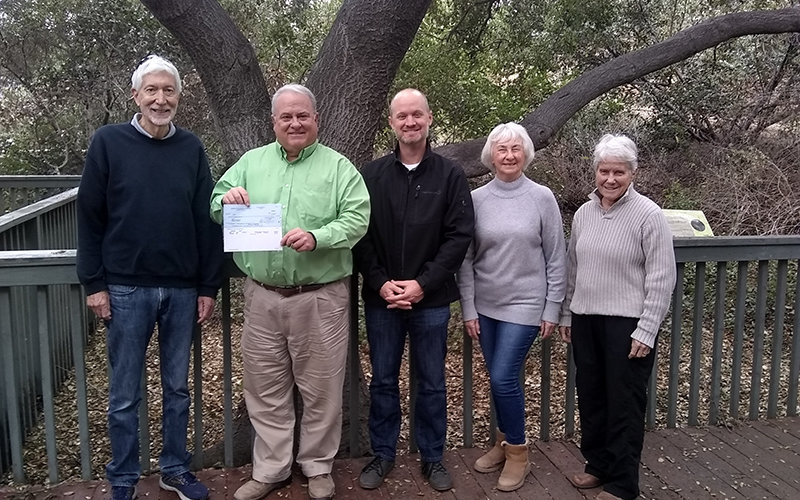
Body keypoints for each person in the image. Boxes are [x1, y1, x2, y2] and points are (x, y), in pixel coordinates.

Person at [209, 84, 370, 500]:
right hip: (261, 296)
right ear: (274, 122)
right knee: (265, 388)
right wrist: (226, 199)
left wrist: (320, 236)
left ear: (316, 119)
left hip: (319, 297)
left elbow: (357, 219)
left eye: (303, 116)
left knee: (321, 389)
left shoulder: (339, 168)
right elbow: (213, 203)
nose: (295, 123)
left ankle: (317, 467)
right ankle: (271, 470)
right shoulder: (250, 163)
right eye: (287, 117)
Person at [76, 55, 223, 500]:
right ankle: (122, 477)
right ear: (136, 96)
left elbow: (205, 220)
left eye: (169, 90)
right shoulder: (108, 142)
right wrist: (94, 283)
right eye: (152, 90)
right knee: (124, 394)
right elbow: (89, 215)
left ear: (179, 96)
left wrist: (208, 286)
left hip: (181, 289)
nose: (161, 99)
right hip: (124, 288)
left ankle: (174, 470)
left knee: (177, 390)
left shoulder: (191, 148)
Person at [353, 88, 474, 492]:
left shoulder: (450, 174)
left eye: (416, 115)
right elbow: (360, 235)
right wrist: (380, 282)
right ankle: (383, 454)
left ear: (429, 118)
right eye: (402, 116)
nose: (410, 122)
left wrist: (422, 284)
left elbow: (459, 237)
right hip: (381, 298)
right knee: (384, 380)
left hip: (432, 301)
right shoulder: (371, 175)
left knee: (432, 382)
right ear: (391, 122)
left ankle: (432, 457)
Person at [558, 134, 676, 500]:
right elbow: (573, 268)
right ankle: (598, 466)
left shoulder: (649, 215)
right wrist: (566, 314)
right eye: (604, 171)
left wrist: (647, 329)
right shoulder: (583, 214)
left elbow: (661, 277)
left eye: (619, 172)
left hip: (627, 325)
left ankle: (623, 484)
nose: (610, 179)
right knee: (591, 396)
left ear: (633, 173)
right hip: (586, 320)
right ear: (595, 172)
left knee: (624, 403)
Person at [456, 122, 566, 492]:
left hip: (526, 303)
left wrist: (552, 308)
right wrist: (468, 308)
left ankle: (518, 451)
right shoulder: (477, 199)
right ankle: (502, 443)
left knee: (503, 376)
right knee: (499, 379)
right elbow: (466, 259)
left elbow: (556, 256)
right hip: (485, 304)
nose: (509, 156)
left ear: (526, 154)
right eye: (502, 149)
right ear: (491, 155)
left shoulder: (542, 198)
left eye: (516, 149)